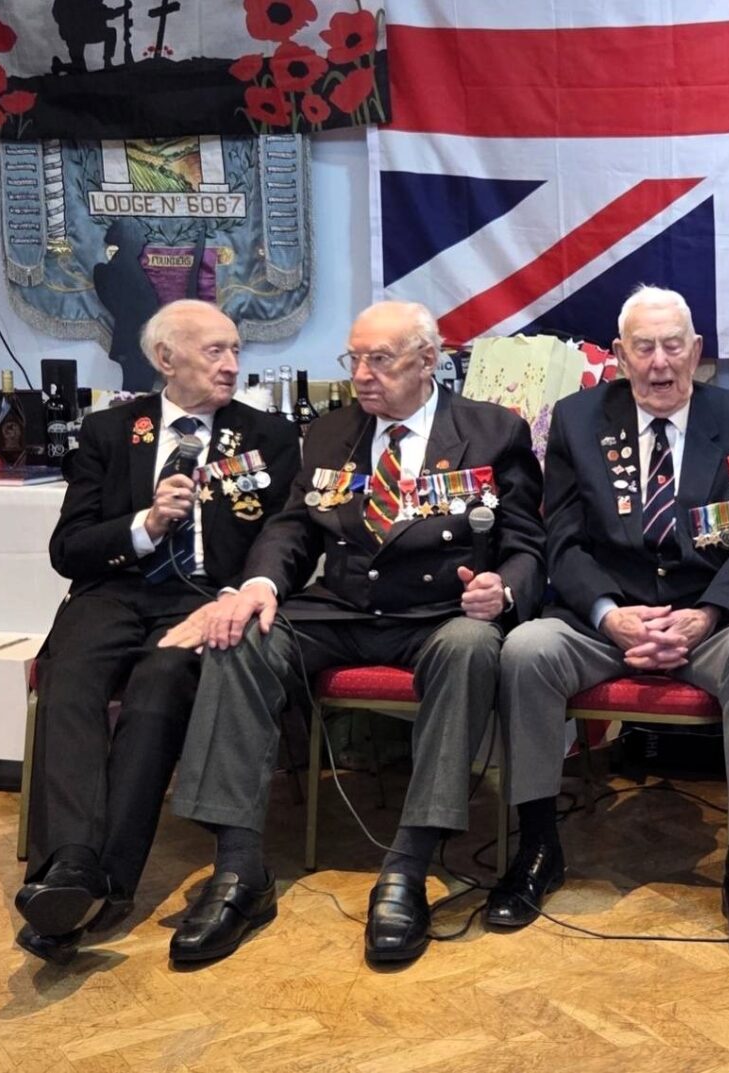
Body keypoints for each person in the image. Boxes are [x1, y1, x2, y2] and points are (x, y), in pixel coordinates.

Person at [167, 300, 545, 965]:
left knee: (469, 647)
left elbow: (527, 545)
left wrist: (504, 587)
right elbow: (291, 527)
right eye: (354, 359)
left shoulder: (491, 431)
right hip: (342, 607)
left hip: (437, 614)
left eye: (380, 359)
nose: (362, 375)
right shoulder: (330, 432)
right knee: (241, 636)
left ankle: (409, 864)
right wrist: (259, 585)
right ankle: (239, 867)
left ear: (427, 361)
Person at [490, 286, 729, 954]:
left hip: (713, 618)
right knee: (526, 649)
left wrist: (708, 612)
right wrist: (610, 616)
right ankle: (539, 849)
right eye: (644, 347)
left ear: (697, 352)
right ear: (619, 355)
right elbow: (564, 539)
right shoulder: (576, 421)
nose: (660, 364)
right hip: (606, 616)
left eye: (673, 347)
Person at [15, 299, 300, 963]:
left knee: (156, 688)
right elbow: (69, 547)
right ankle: (71, 867)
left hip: (203, 598)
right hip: (114, 590)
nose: (232, 364)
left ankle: (102, 883)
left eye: (236, 350)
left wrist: (234, 595)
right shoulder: (112, 432)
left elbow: (285, 539)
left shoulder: (268, 436)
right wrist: (144, 525)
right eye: (214, 351)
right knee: (72, 678)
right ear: (165, 359)